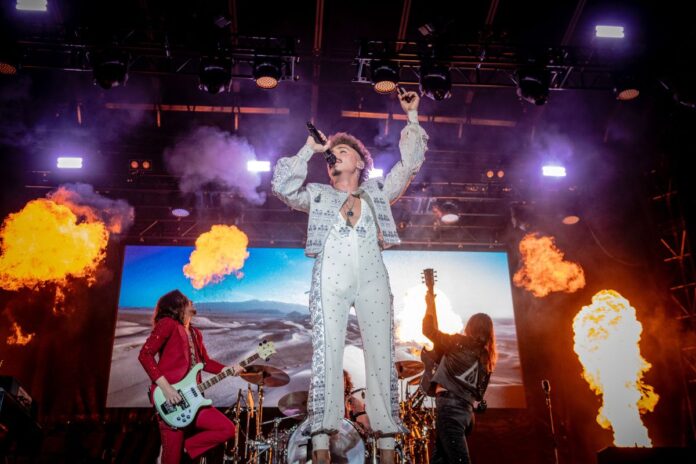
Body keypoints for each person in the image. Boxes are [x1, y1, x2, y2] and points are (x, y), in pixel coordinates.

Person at [272, 89, 426, 464]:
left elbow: (408, 166)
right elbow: (282, 186)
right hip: (331, 276)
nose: (334, 156)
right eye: (332, 154)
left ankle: (387, 442)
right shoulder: (319, 194)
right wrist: (310, 148)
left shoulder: (376, 191)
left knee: (381, 356)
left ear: (359, 161)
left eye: (343, 151)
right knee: (327, 353)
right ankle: (322, 440)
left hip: (373, 276)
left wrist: (413, 116)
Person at [138, 289, 243, 464]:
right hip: (170, 400)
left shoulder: (195, 333)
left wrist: (229, 369)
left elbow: (205, 363)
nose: (192, 302)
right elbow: (145, 355)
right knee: (171, 460)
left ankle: (188, 446)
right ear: (177, 305)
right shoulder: (168, 324)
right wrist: (167, 388)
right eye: (187, 300)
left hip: (193, 400)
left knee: (227, 429)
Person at [421, 291, 497, 464]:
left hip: (450, 411)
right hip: (466, 416)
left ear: (470, 327)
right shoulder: (487, 357)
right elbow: (479, 395)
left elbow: (428, 330)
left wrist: (429, 304)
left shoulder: (458, 342)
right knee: (439, 460)